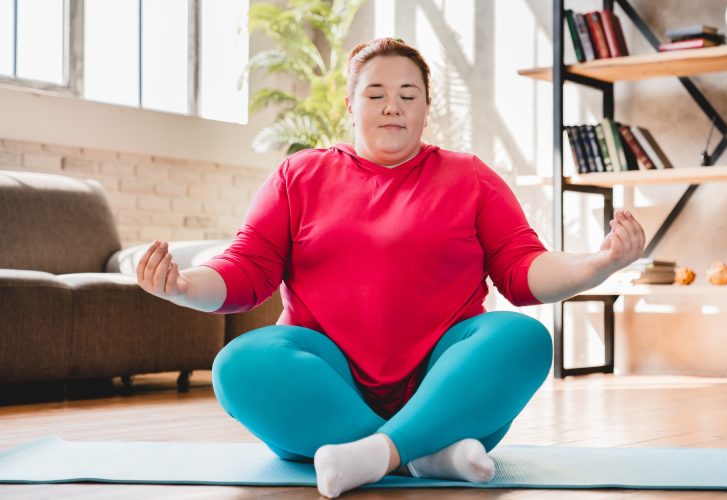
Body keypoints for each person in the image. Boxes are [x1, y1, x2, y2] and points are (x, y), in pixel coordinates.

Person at [136, 38, 645, 498]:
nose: (392, 107)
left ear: (426, 108)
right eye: (376, 93)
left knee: (524, 339)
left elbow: (522, 267)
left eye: (408, 94)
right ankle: (425, 457)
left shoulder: (469, 177)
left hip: (447, 391)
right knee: (237, 365)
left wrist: (596, 265)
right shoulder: (298, 175)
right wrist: (183, 286)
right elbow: (247, 267)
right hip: (329, 386)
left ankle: (375, 454)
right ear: (350, 105)